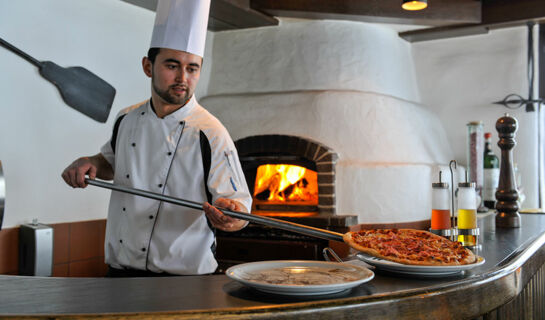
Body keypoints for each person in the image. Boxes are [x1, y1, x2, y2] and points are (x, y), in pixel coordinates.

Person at [61, 0, 251, 276]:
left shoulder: (210, 132)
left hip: (184, 281)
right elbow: (112, 164)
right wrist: (89, 162)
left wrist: (230, 216)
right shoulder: (126, 119)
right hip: (120, 271)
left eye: (192, 68)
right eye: (172, 66)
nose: (182, 78)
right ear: (148, 66)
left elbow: (239, 208)